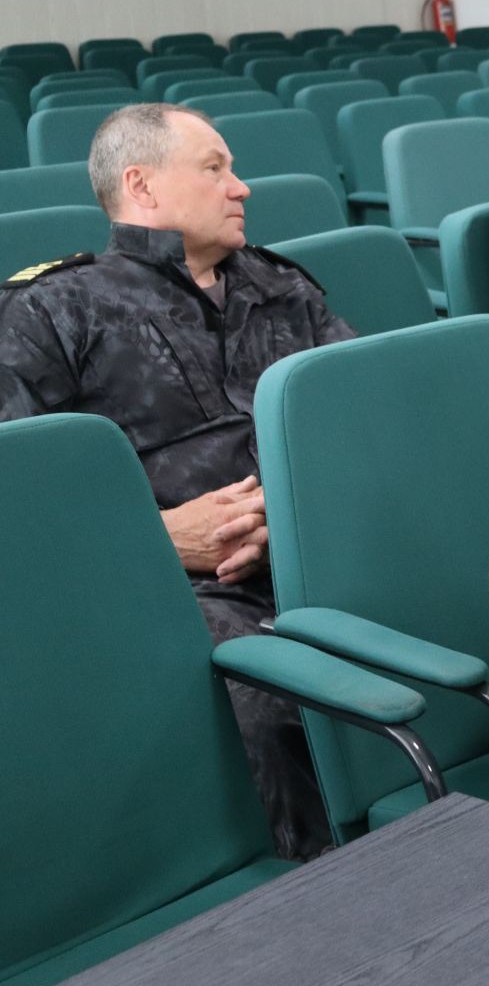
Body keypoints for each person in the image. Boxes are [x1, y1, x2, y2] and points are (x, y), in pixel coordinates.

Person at [0, 103, 350, 859]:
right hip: (180, 585)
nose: (242, 188)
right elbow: (20, 503)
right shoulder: (54, 309)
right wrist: (157, 540)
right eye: (216, 167)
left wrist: (296, 516)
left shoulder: (282, 287)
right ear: (143, 187)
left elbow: (358, 421)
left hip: (320, 546)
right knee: (280, 698)